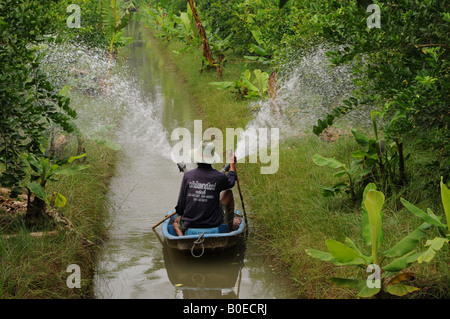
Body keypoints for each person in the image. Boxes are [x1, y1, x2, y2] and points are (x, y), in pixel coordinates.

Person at [173, 140, 241, 236]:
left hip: (191, 223)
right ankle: (229, 229)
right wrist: (232, 165)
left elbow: (180, 206)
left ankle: (182, 238)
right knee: (228, 193)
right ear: (212, 159)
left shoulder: (188, 176)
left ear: (197, 159)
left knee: (176, 222)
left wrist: (181, 213)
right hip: (213, 222)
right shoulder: (218, 177)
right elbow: (231, 181)